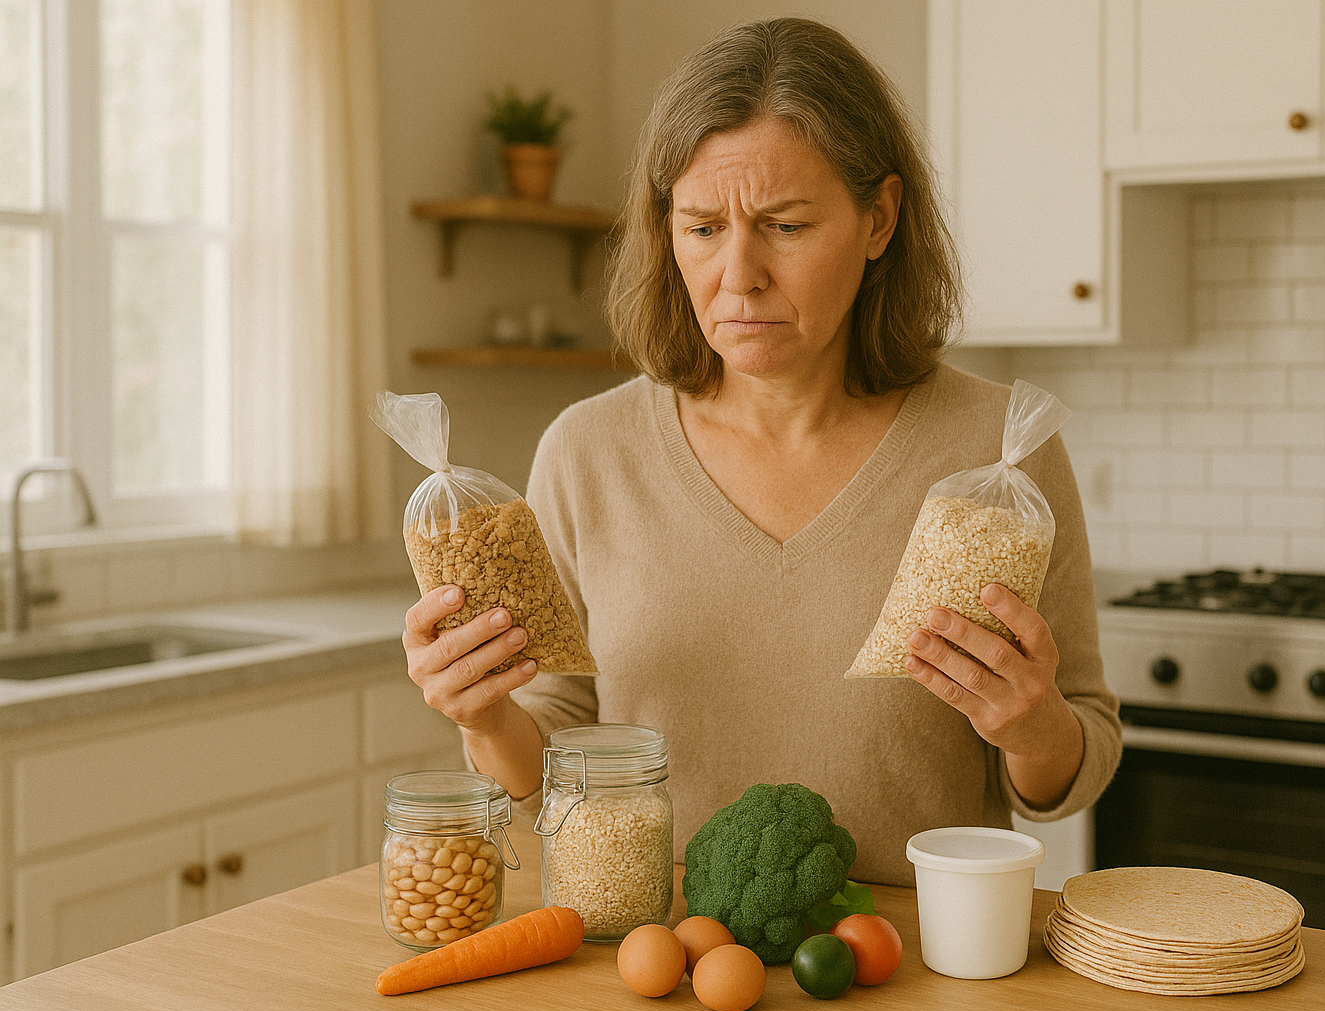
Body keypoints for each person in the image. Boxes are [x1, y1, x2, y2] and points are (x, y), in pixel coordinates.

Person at [401, 17, 1120, 885]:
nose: (738, 276)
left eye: (783, 226)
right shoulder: (588, 454)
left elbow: (1074, 767)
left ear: (880, 219)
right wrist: (484, 721)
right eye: (702, 229)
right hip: (664, 965)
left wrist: (1029, 723)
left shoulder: (998, 457)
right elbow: (552, 756)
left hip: (910, 973)